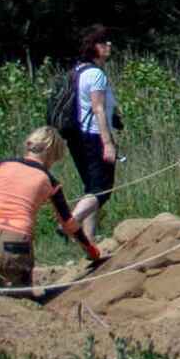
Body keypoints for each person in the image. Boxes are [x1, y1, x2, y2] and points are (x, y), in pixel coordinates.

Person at [0, 125, 105, 295]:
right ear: (53, 154)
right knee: (16, 304)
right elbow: (68, 223)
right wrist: (90, 249)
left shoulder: (2, 165)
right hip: (16, 243)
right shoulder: (50, 181)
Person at [49, 29, 122, 237]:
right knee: (102, 188)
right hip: (94, 136)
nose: (108, 45)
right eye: (101, 42)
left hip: (76, 137)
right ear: (92, 48)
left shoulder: (78, 71)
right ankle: (69, 224)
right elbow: (97, 108)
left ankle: (88, 242)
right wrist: (108, 143)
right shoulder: (96, 74)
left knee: (91, 189)